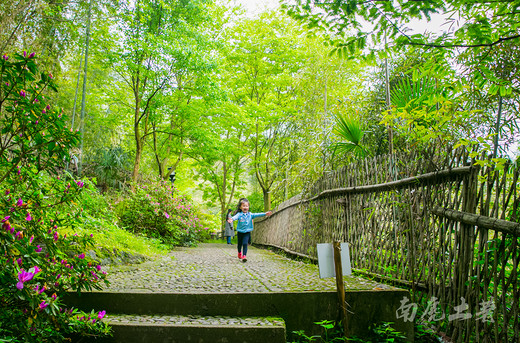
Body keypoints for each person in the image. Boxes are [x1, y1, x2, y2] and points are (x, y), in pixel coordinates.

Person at [227, 198, 272, 262]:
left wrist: (265, 214)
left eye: (247, 206)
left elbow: (257, 214)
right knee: (239, 244)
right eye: (243, 206)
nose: (245, 207)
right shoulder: (239, 214)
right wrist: (232, 219)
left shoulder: (250, 215)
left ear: (248, 207)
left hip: (247, 232)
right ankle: (239, 252)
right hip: (240, 232)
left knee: (245, 243)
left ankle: (244, 256)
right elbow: (235, 217)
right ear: (240, 207)